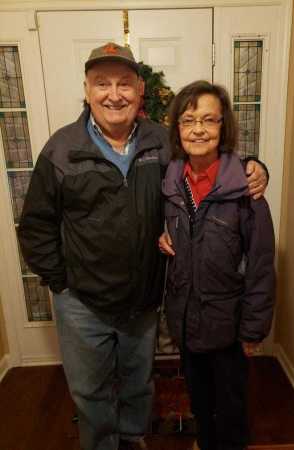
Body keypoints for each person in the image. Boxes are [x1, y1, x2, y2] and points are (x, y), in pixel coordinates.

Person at [18, 42, 268, 450]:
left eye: (124, 84)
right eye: (102, 84)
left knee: (138, 383)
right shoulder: (60, 148)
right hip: (82, 302)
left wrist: (255, 166)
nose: (113, 94)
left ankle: (134, 439)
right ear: (87, 89)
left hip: (143, 298)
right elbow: (35, 224)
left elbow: (208, 157)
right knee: (91, 392)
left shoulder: (161, 141)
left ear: (139, 91)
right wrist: (61, 280)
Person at [160, 80, 276, 450]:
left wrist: (253, 330)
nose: (198, 129)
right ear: (177, 127)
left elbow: (260, 264)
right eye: (189, 119)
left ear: (223, 127)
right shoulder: (170, 184)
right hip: (186, 321)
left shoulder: (247, 191)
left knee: (231, 407)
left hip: (228, 326)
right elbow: (169, 231)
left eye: (209, 120)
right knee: (200, 401)